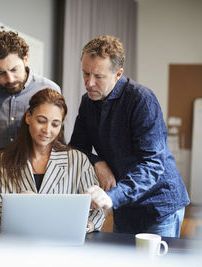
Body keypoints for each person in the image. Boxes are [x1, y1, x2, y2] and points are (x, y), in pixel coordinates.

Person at [70, 35, 190, 237]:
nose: (89, 83)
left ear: (118, 74)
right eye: (85, 73)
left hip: (159, 205)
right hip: (124, 206)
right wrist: (98, 162)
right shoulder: (87, 102)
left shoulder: (142, 100)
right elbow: (77, 147)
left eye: (98, 77)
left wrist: (112, 197)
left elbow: (152, 164)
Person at [0, 31, 61, 218]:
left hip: (34, 186)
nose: (10, 79)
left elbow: (54, 141)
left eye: (14, 70)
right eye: (1, 73)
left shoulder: (49, 90)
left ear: (26, 58)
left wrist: (4, 157)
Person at [0, 89, 104, 232]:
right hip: (18, 242)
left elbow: (96, 211)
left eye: (55, 124)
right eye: (41, 121)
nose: (47, 130)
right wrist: (22, 200)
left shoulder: (78, 160)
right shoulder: (3, 161)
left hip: (63, 242)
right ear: (28, 117)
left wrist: (87, 225)